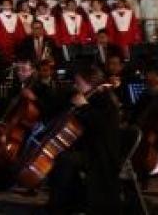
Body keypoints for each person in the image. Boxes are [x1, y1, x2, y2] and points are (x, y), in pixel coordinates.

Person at [48, 63, 121, 214]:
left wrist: (84, 106)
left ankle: (62, 205)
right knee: (61, 157)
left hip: (100, 153)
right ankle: (70, 201)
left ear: (91, 82)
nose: (76, 86)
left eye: (79, 82)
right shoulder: (90, 96)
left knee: (64, 159)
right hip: (88, 147)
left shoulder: (105, 100)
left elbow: (100, 126)